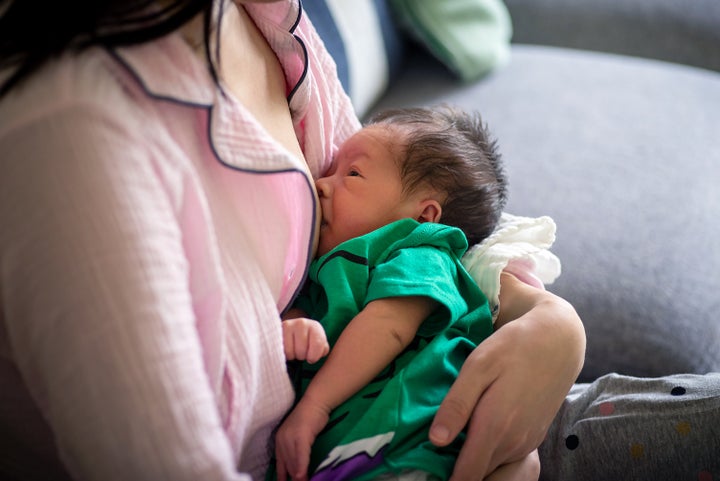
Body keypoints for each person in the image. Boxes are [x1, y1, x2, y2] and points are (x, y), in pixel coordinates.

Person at [4, 1, 711, 481]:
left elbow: (407, 221)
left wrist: (545, 321)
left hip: (442, 412)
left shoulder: (262, 17)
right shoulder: (74, 138)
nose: (324, 182)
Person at [271, 106, 538, 481]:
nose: (321, 184)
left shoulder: (420, 250)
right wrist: (296, 325)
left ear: (424, 217)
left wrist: (314, 406)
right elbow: (324, 318)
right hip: (352, 456)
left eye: (352, 173)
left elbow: (388, 326)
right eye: (331, 170)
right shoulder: (329, 263)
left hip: (419, 442)